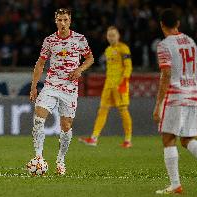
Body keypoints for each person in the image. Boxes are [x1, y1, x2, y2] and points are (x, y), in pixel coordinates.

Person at [28, 8, 94, 175]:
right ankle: (38, 157)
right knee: (38, 117)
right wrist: (34, 86)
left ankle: (60, 159)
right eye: (59, 20)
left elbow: (90, 58)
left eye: (65, 20)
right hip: (51, 85)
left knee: (66, 126)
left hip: (70, 89)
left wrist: (80, 70)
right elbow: (40, 64)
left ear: (70, 20)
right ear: (55, 21)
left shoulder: (79, 39)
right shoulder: (49, 41)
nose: (62, 23)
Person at [153, 8, 197, 194]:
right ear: (178, 23)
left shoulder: (164, 45)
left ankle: (176, 184)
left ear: (162, 25)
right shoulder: (191, 42)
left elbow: (166, 74)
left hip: (176, 95)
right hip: (193, 94)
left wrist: (159, 104)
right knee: (186, 139)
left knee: (168, 138)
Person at [78, 26, 133, 148]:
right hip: (108, 85)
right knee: (102, 110)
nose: (111, 37)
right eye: (109, 35)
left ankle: (128, 140)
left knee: (123, 110)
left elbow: (128, 66)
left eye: (113, 35)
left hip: (120, 84)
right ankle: (94, 138)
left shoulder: (124, 49)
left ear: (118, 36)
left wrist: (124, 82)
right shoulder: (108, 50)